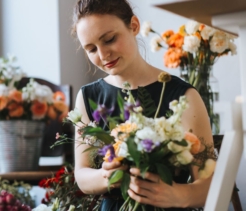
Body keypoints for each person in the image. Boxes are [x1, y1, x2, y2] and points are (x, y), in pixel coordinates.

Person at [71, 0, 214, 210]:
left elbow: (212, 183)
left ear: (134, 26)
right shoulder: (87, 97)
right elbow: (82, 175)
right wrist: (106, 175)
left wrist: (178, 195)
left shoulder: (184, 96)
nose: (103, 55)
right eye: (91, 49)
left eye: (109, 39)